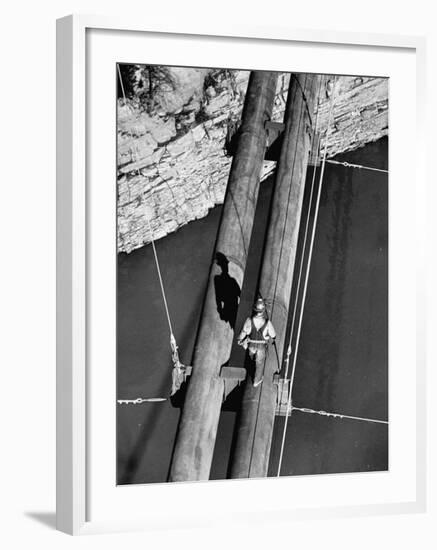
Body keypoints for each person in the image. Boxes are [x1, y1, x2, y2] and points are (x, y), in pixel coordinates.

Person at [237, 297, 276, 387]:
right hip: (262, 347)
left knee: (251, 359)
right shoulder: (267, 322)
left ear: (254, 309)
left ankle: (251, 368)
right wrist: (273, 339)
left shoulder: (249, 320)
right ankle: (256, 381)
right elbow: (273, 335)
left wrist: (240, 339)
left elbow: (244, 331)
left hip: (251, 345)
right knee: (259, 363)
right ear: (263, 310)